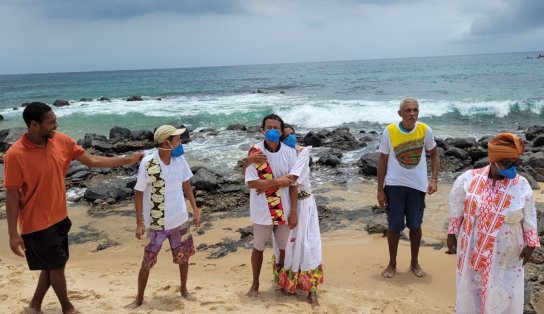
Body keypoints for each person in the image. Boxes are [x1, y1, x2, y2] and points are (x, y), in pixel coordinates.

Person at [4, 102, 144, 314]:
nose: (56, 125)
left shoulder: (61, 141)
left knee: (52, 265)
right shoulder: (15, 155)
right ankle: (67, 308)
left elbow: (92, 160)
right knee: (57, 266)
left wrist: (128, 159)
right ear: (33, 125)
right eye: (51, 122)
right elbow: (12, 195)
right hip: (36, 223)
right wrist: (13, 234)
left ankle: (34, 306)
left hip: (60, 217)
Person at [447, 133, 540, 313]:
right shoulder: (469, 179)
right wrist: (452, 232)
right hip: (473, 245)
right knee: (472, 287)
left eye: (515, 163)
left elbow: (529, 214)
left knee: (503, 289)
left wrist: (532, 242)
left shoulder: (521, 185)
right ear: (494, 160)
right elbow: (457, 204)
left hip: (506, 249)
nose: (512, 167)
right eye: (507, 163)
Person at [133, 125, 201, 306]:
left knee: (183, 257)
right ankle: (139, 298)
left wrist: (195, 210)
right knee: (147, 262)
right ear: (166, 142)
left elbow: (187, 185)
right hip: (157, 223)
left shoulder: (180, 161)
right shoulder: (148, 163)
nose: (180, 143)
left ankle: (184, 289)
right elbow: (138, 192)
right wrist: (139, 223)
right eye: (177, 140)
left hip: (179, 219)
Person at [377, 97, 440, 278]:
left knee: (415, 225)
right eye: (408, 110)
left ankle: (414, 263)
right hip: (394, 186)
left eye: (415, 110)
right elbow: (382, 161)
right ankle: (392, 263)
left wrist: (434, 179)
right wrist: (380, 190)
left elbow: (434, 155)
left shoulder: (424, 130)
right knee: (394, 226)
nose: (412, 114)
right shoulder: (389, 131)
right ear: (400, 113)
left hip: (417, 187)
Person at [244, 114, 298, 297]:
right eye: (269, 127)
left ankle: (282, 282)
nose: (272, 131)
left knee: (284, 249)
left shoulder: (289, 152)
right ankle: (255, 284)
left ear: (281, 131)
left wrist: (294, 212)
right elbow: (251, 183)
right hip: (262, 208)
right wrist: (278, 181)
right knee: (258, 247)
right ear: (263, 130)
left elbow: (293, 182)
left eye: (276, 128)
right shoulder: (255, 152)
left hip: (284, 207)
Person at [272, 124, 323, 308]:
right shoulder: (282, 155)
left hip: (304, 204)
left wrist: (267, 183)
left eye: (293, 134)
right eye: (286, 137)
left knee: (308, 244)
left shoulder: (303, 153)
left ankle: (312, 290)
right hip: (287, 203)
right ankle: (288, 283)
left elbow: (292, 180)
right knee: (287, 244)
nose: (291, 138)